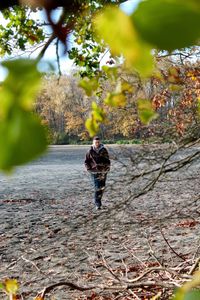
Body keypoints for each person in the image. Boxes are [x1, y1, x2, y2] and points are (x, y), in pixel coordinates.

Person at [85, 136, 110, 210]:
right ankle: (98, 204)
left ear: (100, 142)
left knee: (102, 187)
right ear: (93, 143)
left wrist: (107, 168)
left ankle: (99, 201)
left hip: (103, 171)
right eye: (96, 142)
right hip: (94, 171)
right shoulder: (90, 151)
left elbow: (107, 160)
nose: (97, 143)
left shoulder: (104, 150)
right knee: (97, 187)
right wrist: (89, 169)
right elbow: (86, 161)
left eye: (98, 142)